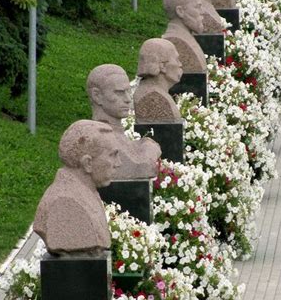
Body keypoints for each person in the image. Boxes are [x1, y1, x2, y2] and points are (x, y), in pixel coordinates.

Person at [33, 120, 121, 256]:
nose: (118, 163)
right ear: (88, 163)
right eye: (113, 155)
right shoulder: (64, 203)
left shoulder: (86, 191)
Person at [87, 64, 161, 178]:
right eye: (119, 92)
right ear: (97, 96)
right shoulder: (102, 139)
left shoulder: (115, 133)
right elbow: (142, 167)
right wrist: (150, 148)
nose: (128, 99)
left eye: (128, 91)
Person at [134, 38, 183, 124]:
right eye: (176, 59)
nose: (180, 64)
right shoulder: (155, 99)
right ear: (162, 66)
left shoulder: (154, 93)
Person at [162, 0, 207, 73]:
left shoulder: (187, 36)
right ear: (180, 11)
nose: (203, 11)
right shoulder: (175, 40)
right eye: (197, 7)